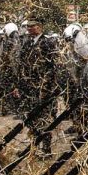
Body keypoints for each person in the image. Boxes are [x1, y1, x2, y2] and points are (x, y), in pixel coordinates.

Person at [14, 18, 58, 157]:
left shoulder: (47, 43)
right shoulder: (27, 44)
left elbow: (52, 68)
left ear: (40, 27)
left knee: (45, 119)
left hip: (44, 90)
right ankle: (33, 147)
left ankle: (46, 149)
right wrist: (18, 86)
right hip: (29, 89)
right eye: (28, 27)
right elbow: (22, 66)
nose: (29, 29)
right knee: (31, 118)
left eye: (32, 27)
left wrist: (44, 88)